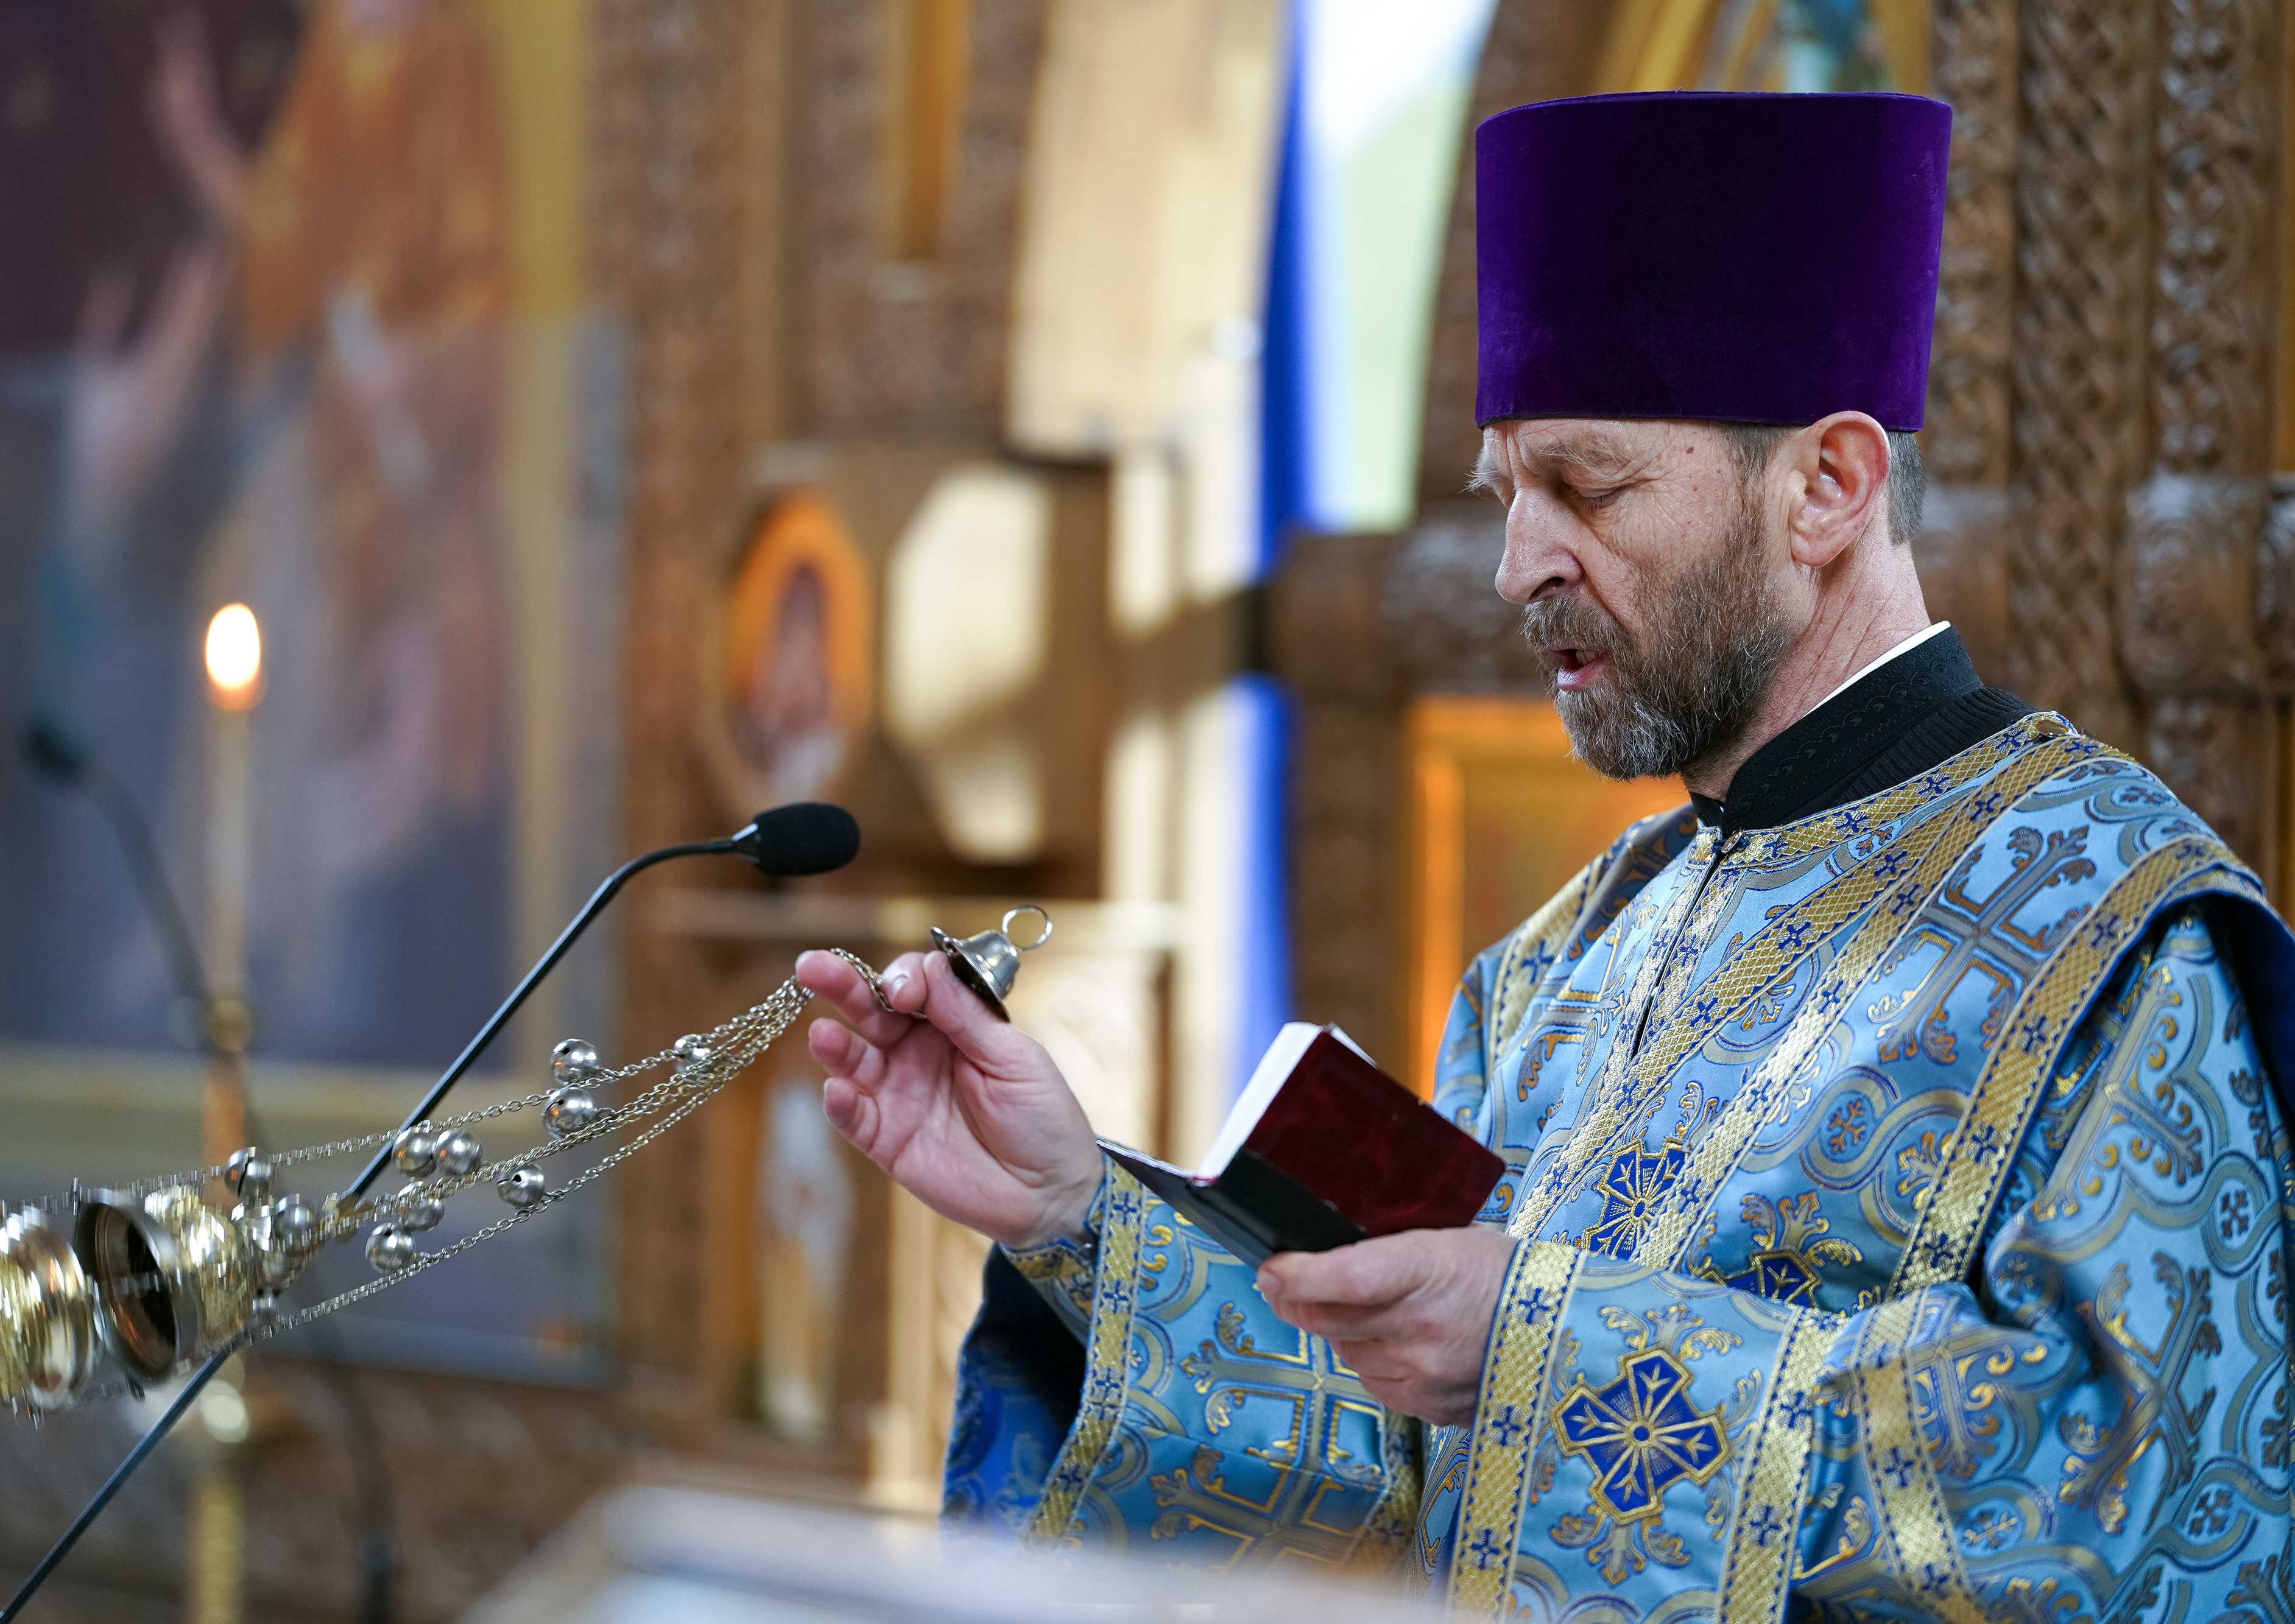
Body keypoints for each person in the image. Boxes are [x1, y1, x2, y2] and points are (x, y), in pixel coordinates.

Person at [797, 91, 2295, 1617]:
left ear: (1826, 487)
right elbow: (1404, 1465)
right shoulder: (1561, 962)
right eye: (1503, 494)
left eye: (1585, 487)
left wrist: (1539, 1347)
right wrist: (1078, 1216)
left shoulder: (2112, 934)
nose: (1517, 565)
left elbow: (2132, 1497)